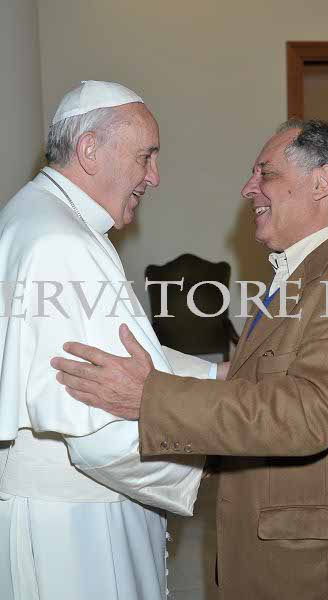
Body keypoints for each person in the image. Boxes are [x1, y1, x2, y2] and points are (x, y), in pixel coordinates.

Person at [53, 120, 328, 600]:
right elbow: (257, 389)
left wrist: (151, 396)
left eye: (265, 173)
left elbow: (307, 414)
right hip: (266, 554)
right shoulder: (297, 275)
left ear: (322, 182)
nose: (248, 188)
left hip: (317, 572)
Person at [0, 80, 226, 600]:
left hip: (65, 511)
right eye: (146, 156)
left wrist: (215, 375)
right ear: (89, 150)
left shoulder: (38, 216)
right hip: (76, 528)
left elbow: (122, 354)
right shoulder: (62, 242)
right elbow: (100, 438)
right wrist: (217, 452)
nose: (155, 176)